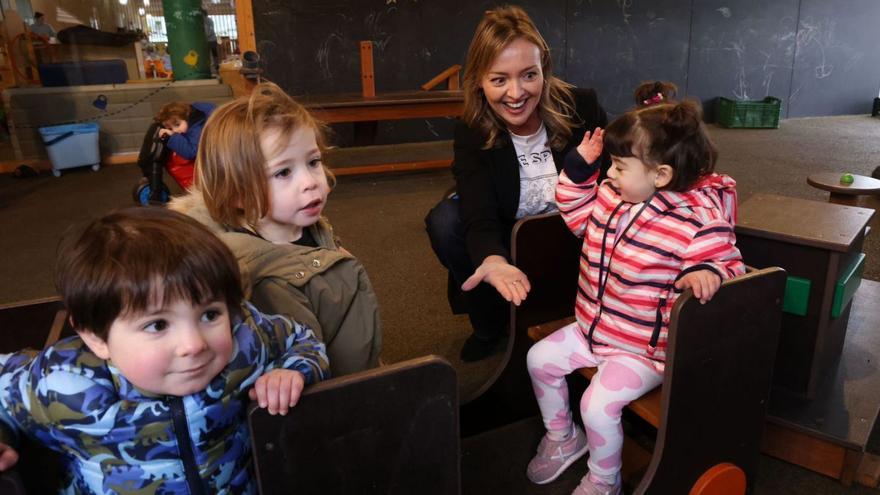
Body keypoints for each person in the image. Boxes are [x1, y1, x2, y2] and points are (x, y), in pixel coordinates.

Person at [0, 207, 329, 492]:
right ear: (96, 338)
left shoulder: (244, 339)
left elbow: (300, 338)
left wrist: (292, 371)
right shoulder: (64, 381)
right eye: (157, 325)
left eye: (209, 314)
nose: (194, 344)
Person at [524, 100, 745, 494]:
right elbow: (576, 215)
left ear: (660, 175)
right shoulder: (612, 194)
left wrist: (704, 272)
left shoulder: (697, 217)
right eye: (612, 164)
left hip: (643, 348)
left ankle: (603, 481)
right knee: (538, 359)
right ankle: (562, 438)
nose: (609, 173)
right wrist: (578, 169)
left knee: (596, 407)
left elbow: (725, 261)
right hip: (595, 326)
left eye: (620, 166)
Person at [424, 5, 609, 362]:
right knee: (446, 221)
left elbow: (616, 181)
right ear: (479, 80)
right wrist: (493, 261)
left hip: (576, 229)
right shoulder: (471, 129)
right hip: (511, 233)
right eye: (499, 79)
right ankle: (490, 320)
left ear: (544, 71)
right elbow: (479, 215)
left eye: (528, 75)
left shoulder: (581, 106)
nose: (515, 92)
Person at [169, 82, 382, 376]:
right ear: (236, 193)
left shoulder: (299, 225)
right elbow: (302, 366)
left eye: (313, 161)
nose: (310, 181)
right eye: (283, 172)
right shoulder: (262, 282)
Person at [154, 100, 216, 189]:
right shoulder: (192, 121)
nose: (175, 130)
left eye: (177, 124)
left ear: (187, 116)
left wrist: (172, 137)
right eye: (171, 128)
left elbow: (191, 152)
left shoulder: (196, 128)